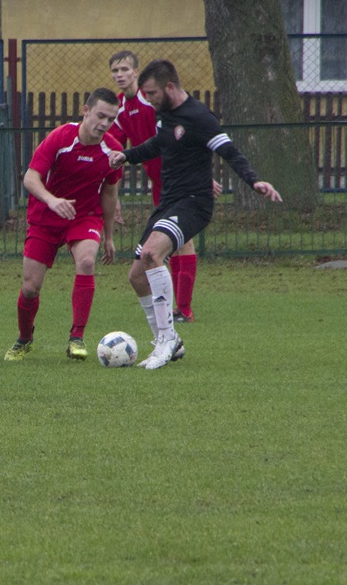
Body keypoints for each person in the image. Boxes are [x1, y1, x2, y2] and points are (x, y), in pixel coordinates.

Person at [107, 59, 282, 370]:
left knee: (151, 255)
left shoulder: (200, 117)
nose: (148, 98)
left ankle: (167, 338)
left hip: (194, 202)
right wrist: (127, 156)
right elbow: (158, 144)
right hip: (168, 201)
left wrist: (254, 180)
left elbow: (229, 151)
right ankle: (168, 341)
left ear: (169, 87)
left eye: (152, 93)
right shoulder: (164, 115)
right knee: (136, 276)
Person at [3, 88, 122, 362]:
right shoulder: (61, 137)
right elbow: (30, 178)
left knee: (87, 262)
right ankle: (25, 339)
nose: (104, 123)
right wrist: (52, 200)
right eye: (100, 116)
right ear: (86, 111)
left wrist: (108, 236)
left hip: (84, 216)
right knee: (30, 287)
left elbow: (109, 192)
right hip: (46, 216)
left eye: (111, 119)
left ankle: (76, 338)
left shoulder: (113, 150)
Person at [107, 50, 202, 323]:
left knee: (182, 240)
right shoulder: (119, 108)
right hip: (158, 180)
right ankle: (178, 308)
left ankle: (184, 308)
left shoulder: (151, 100)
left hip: (178, 176)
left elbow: (183, 130)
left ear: (136, 72)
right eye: (115, 71)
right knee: (173, 242)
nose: (120, 75)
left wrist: (198, 171)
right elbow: (115, 150)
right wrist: (113, 195)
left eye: (125, 69)